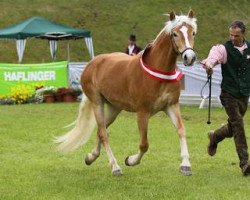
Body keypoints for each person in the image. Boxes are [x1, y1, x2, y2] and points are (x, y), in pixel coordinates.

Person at [201, 20, 250, 176]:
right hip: (228, 94)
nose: (233, 38)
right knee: (238, 124)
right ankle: (245, 163)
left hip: (244, 95)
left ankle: (214, 136)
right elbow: (213, 57)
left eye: (236, 35)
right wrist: (209, 65)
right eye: (231, 35)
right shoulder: (223, 49)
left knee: (234, 126)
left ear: (244, 34)